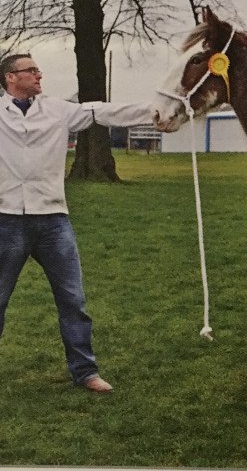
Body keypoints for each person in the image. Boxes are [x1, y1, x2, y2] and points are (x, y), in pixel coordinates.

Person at [0, 53, 153, 393]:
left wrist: (156, 111)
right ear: (11, 78)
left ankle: (85, 373)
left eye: (38, 69)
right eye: (31, 70)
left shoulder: (57, 109)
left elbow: (102, 110)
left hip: (54, 222)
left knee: (73, 301)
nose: (40, 74)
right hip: (6, 221)